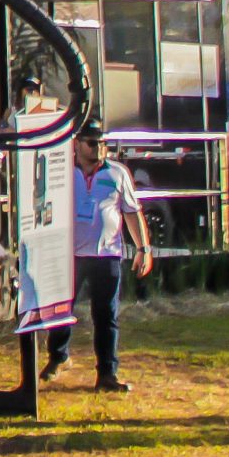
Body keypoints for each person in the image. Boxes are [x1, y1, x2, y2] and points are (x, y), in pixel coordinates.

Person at [42, 121, 153, 392]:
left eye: (102, 143)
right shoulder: (62, 172)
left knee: (106, 315)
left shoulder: (117, 173)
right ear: (77, 144)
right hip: (71, 254)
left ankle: (107, 373)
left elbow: (131, 211)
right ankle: (59, 356)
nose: (99, 148)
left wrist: (143, 248)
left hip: (107, 253)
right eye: (93, 143)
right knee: (60, 308)